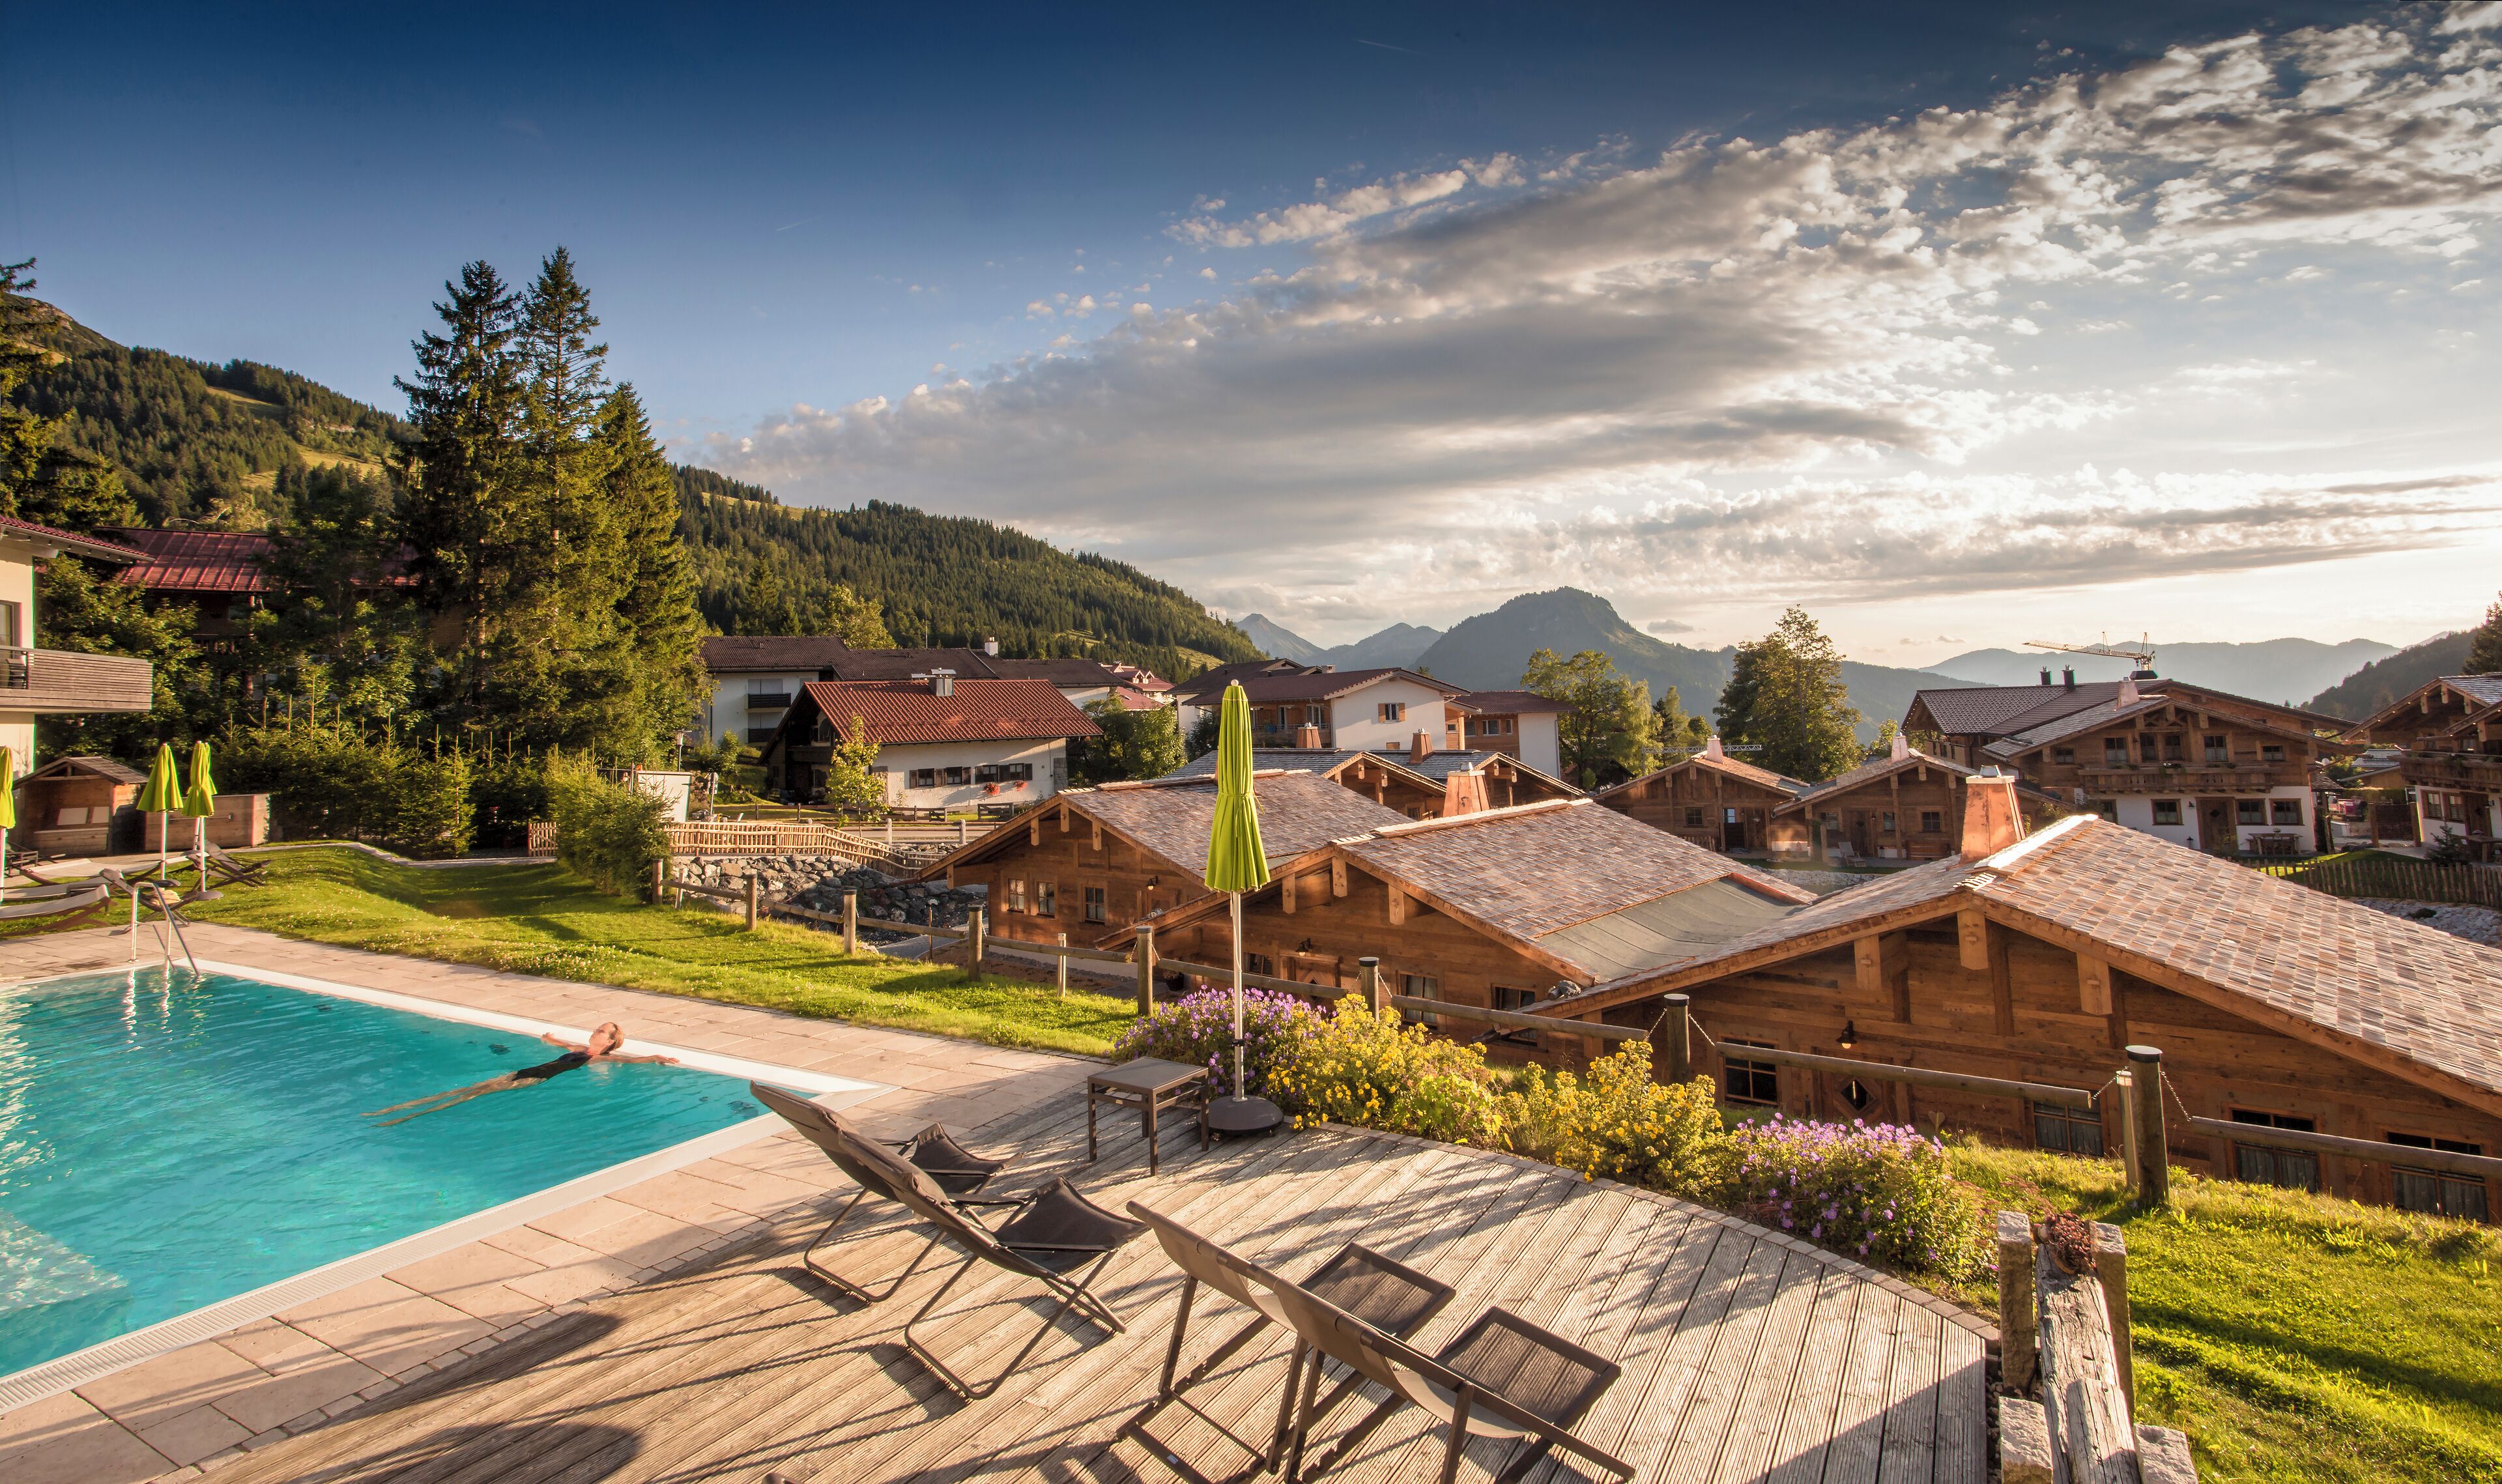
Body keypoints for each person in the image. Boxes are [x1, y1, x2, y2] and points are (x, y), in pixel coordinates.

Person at [364, 1022, 676, 1126]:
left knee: (472, 1094)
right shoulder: (581, 1046)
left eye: (603, 1031)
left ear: (609, 1042)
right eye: (599, 1027)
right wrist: (549, 1039)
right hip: (523, 1071)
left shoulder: (598, 1058)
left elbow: (631, 1061)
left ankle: (402, 1117)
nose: (597, 1030)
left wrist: (656, 1058)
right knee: (467, 1088)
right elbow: (562, 1043)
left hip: (535, 1079)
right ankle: (391, 1110)